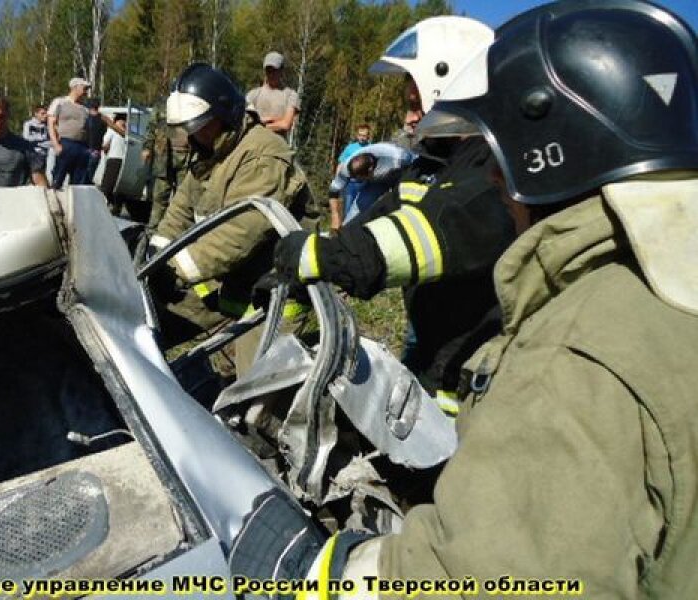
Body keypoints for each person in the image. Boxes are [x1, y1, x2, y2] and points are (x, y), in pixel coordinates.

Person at [291, 1, 698, 594]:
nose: (497, 185)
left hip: (461, 388)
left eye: (504, 165)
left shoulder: (574, 363)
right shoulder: (666, 283)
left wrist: (322, 572)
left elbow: (485, 574)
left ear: (547, 145)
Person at [276, 16, 507, 405]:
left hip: (472, 380)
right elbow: (381, 217)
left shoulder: (494, 169)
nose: (409, 118)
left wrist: (323, 257)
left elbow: (430, 231)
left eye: (416, 104)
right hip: (429, 351)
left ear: (450, 87)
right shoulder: (432, 162)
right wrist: (304, 261)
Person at [149, 63, 314, 374]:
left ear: (224, 115)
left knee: (253, 391)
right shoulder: (211, 153)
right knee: (152, 326)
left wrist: (175, 269)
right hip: (235, 281)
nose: (193, 135)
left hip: (274, 291)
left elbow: (240, 232)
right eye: (188, 128)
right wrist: (155, 256)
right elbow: (181, 210)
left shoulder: (263, 155)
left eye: (200, 126)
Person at [327, 141, 414, 230]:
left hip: (400, 174)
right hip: (376, 181)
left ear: (370, 170)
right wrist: (335, 216)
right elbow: (333, 191)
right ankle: (343, 234)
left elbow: (413, 166)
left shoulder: (398, 158)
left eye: (359, 178)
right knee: (360, 206)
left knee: (399, 207)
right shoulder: (347, 168)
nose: (356, 181)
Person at [142, 100, 189, 229]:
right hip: (163, 157)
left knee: (183, 198)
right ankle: (153, 230)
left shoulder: (191, 105)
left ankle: (179, 231)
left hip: (186, 157)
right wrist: (147, 148)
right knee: (160, 196)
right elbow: (151, 128)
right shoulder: (162, 106)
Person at [47, 77, 91, 188]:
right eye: (84, 88)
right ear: (75, 87)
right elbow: (51, 123)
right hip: (65, 143)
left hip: (82, 146)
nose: (86, 91)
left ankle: (75, 204)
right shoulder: (60, 102)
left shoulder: (85, 108)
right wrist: (56, 144)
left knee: (78, 183)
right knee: (58, 178)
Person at [246, 51, 299, 140]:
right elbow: (246, 121)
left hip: (278, 147)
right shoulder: (253, 95)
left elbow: (285, 125)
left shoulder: (291, 95)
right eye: (268, 70)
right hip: (255, 145)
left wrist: (260, 124)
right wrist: (276, 120)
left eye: (274, 70)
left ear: (281, 71)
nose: (271, 74)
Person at [99, 113, 127, 214]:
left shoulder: (127, 134)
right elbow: (105, 144)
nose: (124, 123)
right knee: (108, 184)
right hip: (114, 158)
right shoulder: (113, 131)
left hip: (122, 160)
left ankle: (115, 206)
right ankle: (105, 204)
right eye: (122, 120)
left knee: (116, 185)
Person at [85, 100, 107, 184]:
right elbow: (104, 132)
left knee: (81, 175)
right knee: (90, 175)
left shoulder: (85, 118)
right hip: (96, 151)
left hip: (84, 150)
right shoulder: (103, 119)